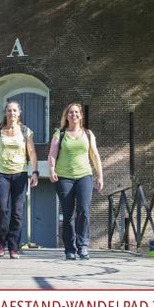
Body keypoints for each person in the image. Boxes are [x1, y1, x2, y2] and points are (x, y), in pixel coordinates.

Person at [48, 102, 103, 260]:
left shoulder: (88, 134)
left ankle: (83, 245)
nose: (74, 115)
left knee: (83, 210)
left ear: (81, 115)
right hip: (64, 177)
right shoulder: (60, 134)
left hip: (84, 175)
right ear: (66, 116)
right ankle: (70, 249)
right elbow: (52, 154)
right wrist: (51, 170)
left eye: (76, 112)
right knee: (68, 214)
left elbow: (95, 155)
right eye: (71, 112)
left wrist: (100, 175)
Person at [0, 100, 39, 259]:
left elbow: (32, 152)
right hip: (2, 174)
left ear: (19, 113)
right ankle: (0, 243)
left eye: (15, 110)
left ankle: (14, 246)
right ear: (5, 113)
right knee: (2, 209)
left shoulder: (25, 131)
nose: (12, 113)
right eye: (9, 110)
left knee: (17, 212)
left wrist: (35, 172)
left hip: (20, 174)